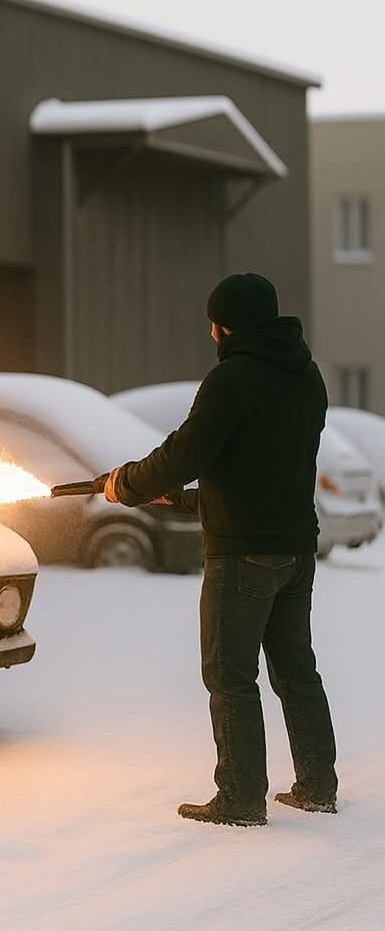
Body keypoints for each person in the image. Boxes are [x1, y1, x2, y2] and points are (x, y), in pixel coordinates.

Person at [103, 273, 338, 827]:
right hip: (295, 551)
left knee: (230, 676)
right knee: (296, 671)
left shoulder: (231, 379)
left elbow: (184, 452)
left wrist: (126, 486)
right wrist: (184, 503)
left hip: (241, 557)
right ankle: (317, 786)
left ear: (224, 324)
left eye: (214, 323)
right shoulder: (306, 377)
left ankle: (239, 798)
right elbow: (264, 470)